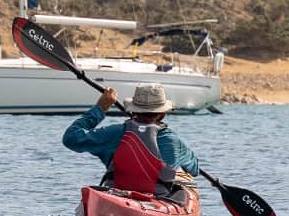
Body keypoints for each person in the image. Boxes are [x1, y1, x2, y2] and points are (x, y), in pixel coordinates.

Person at [62, 82, 198, 202]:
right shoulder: (174, 141)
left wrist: (100, 108)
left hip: (115, 195)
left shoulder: (113, 133)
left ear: (133, 110)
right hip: (156, 199)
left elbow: (71, 138)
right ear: (162, 114)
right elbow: (194, 168)